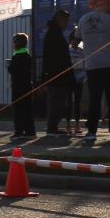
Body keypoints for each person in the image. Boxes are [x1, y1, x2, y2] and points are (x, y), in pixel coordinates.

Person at [73, 0, 110, 141]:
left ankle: (91, 131)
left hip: (92, 65)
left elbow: (75, 41)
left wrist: (87, 47)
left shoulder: (83, 19)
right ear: (106, 5)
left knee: (94, 99)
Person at [41, 8, 74, 138]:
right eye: (66, 21)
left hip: (56, 73)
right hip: (57, 74)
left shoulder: (54, 33)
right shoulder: (54, 35)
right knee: (56, 101)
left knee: (57, 101)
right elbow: (59, 57)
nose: (66, 24)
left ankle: (53, 126)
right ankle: (52, 126)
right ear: (60, 20)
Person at [7, 32, 36, 139]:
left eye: (14, 42)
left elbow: (14, 71)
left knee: (18, 109)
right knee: (28, 109)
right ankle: (30, 131)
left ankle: (19, 131)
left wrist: (9, 66)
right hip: (27, 85)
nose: (13, 44)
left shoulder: (17, 56)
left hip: (18, 86)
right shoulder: (28, 56)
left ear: (17, 43)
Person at [67, 34, 85, 134]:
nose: (75, 42)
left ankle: (77, 125)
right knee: (68, 102)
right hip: (69, 80)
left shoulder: (82, 52)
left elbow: (85, 65)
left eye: (77, 40)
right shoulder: (67, 51)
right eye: (73, 40)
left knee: (77, 102)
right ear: (70, 40)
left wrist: (83, 76)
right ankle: (68, 125)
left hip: (79, 80)